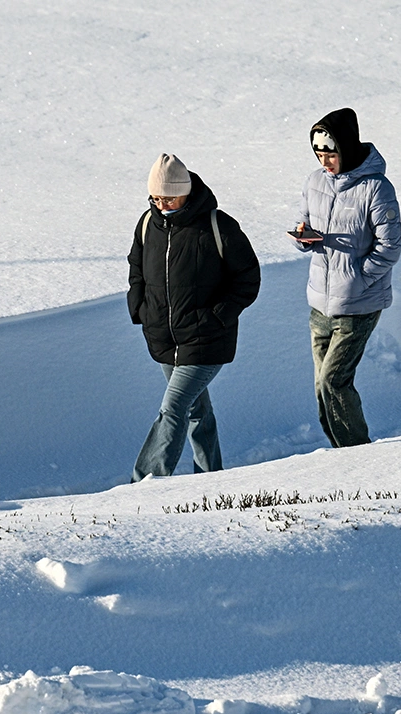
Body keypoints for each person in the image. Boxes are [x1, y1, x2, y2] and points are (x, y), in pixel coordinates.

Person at [128, 153, 260, 481]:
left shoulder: (218, 225)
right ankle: (210, 479)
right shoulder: (148, 224)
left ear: (186, 191)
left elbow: (247, 278)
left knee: (172, 410)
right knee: (197, 412)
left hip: (206, 340)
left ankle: (144, 483)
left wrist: (215, 318)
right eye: (156, 198)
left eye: (170, 197)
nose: (163, 205)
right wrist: (141, 310)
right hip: (164, 338)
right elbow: (136, 269)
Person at [293, 108, 401, 447]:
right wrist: (303, 237)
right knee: (320, 386)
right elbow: (304, 223)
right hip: (320, 304)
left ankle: (357, 453)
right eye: (319, 153)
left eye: (331, 152)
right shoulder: (313, 182)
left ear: (348, 148)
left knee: (334, 381)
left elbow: (390, 247)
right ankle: (340, 452)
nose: (325, 160)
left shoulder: (376, 189)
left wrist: (360, 278)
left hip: (358, 305)